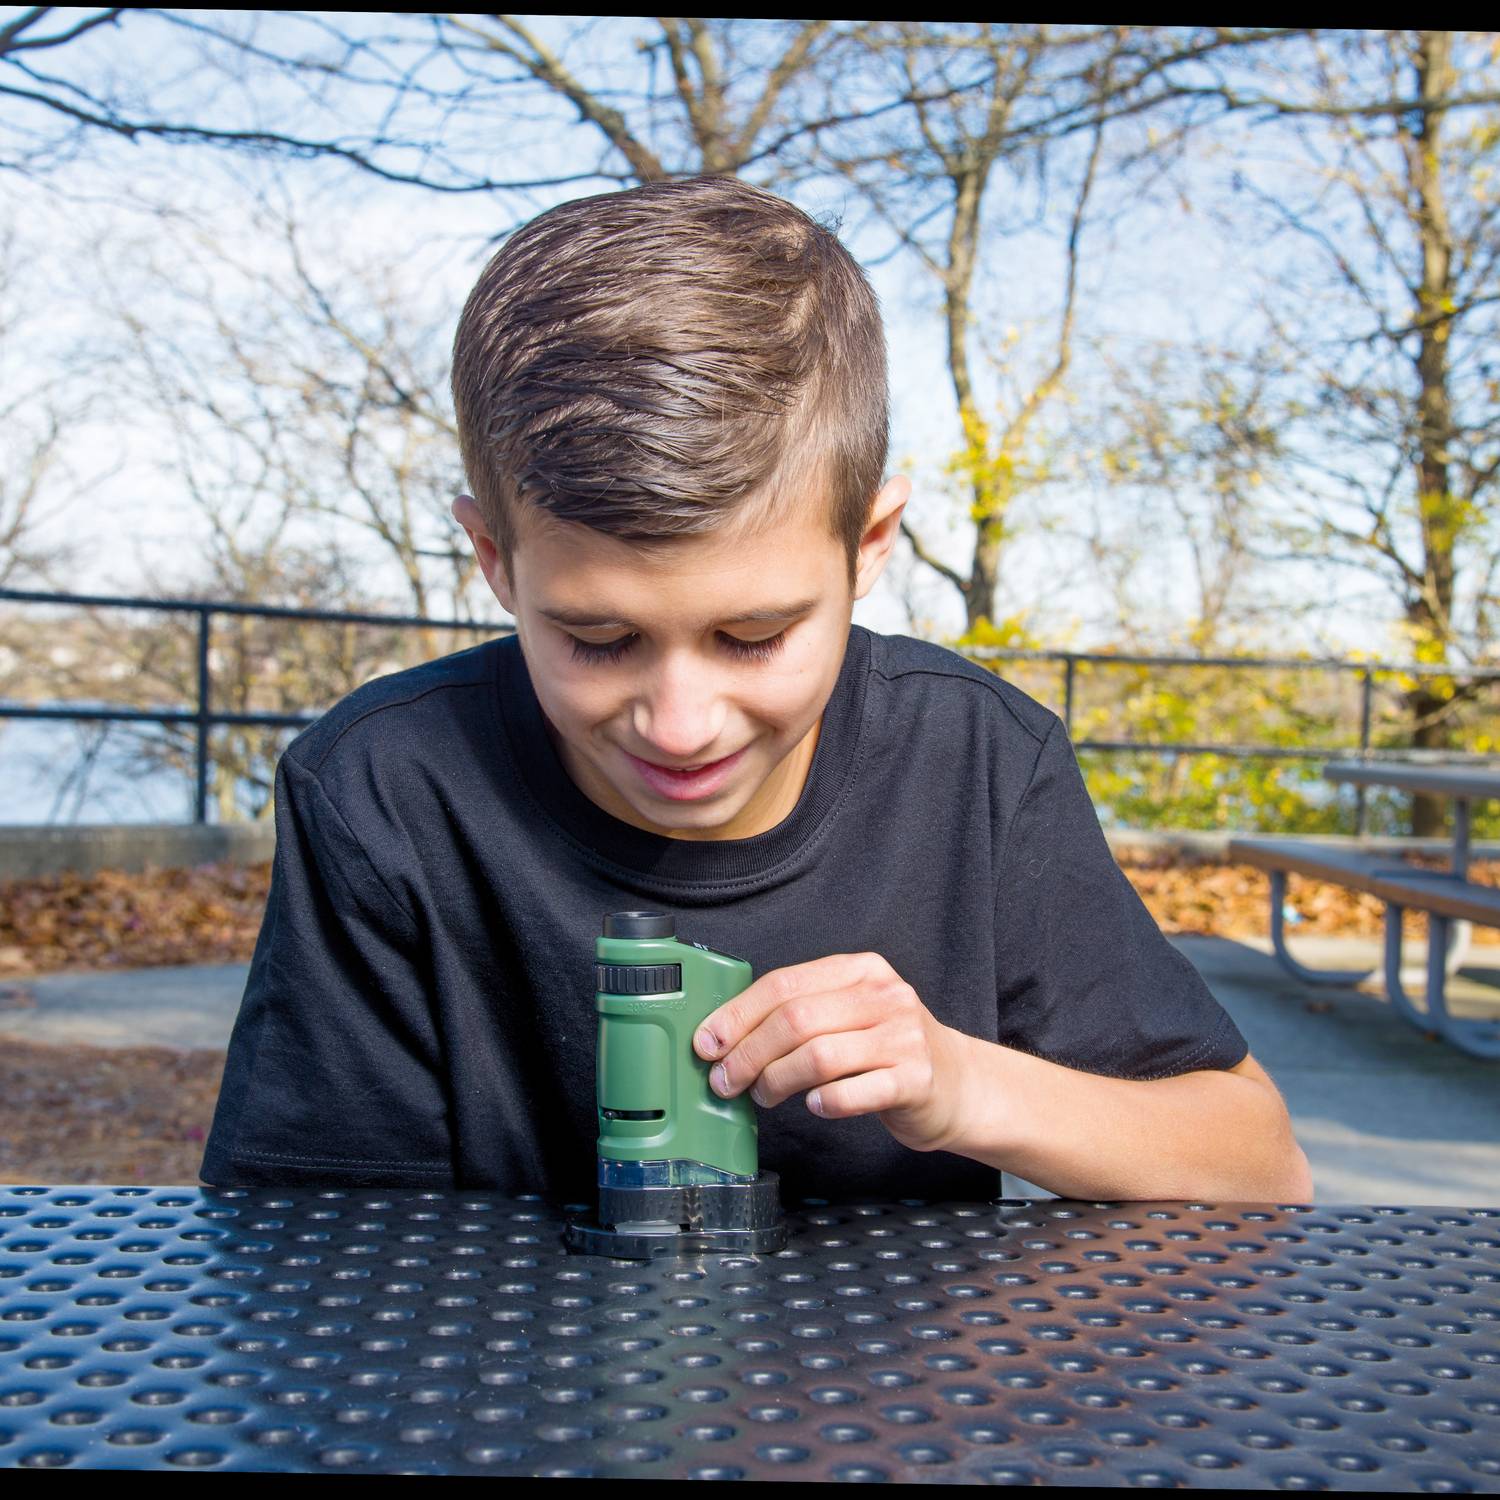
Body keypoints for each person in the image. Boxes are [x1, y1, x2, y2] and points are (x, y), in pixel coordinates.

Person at [200, 175, 1311, 1205]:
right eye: (597, 639)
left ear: (868, 542)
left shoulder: (975, 764)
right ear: (496, 561)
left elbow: (1260, 1166)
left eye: (754, 636)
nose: (680, 725)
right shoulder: (382, 792)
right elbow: (312, 1262)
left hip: (892, 1406)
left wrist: (962, 1086)